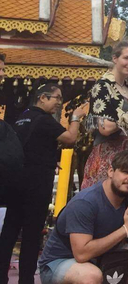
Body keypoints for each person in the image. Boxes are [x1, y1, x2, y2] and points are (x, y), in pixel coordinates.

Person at [0, 84, 87, 284]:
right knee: (31, 234)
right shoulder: (44, 120)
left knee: (10, 231)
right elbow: (71, 138)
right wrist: (75, 118)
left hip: (16, 181)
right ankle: (26, 279)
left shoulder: (22, 117)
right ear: (42, 98)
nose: (59, 102)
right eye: (56, 98)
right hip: (36, 183)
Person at [38, 150, 128, 284]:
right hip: (63, 260)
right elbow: (81, 254)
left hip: (105, 255)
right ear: (110, 172)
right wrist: (125, 229)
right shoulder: (85, 202)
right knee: (91, 276)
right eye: (125, 172)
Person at [83, 40, 128, 189]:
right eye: (127, 58)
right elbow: (105, 128)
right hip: (109, 158)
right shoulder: (103, 87)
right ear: (115, 58)